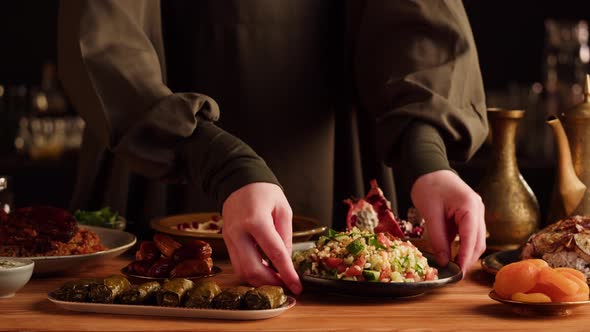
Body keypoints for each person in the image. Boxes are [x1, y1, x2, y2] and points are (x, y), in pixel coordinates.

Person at [58, 0, 488, 295]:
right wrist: (223, 164)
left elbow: (418, 21)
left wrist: (427, 160)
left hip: (335, 162)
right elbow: (103, 34)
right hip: (151, 164)